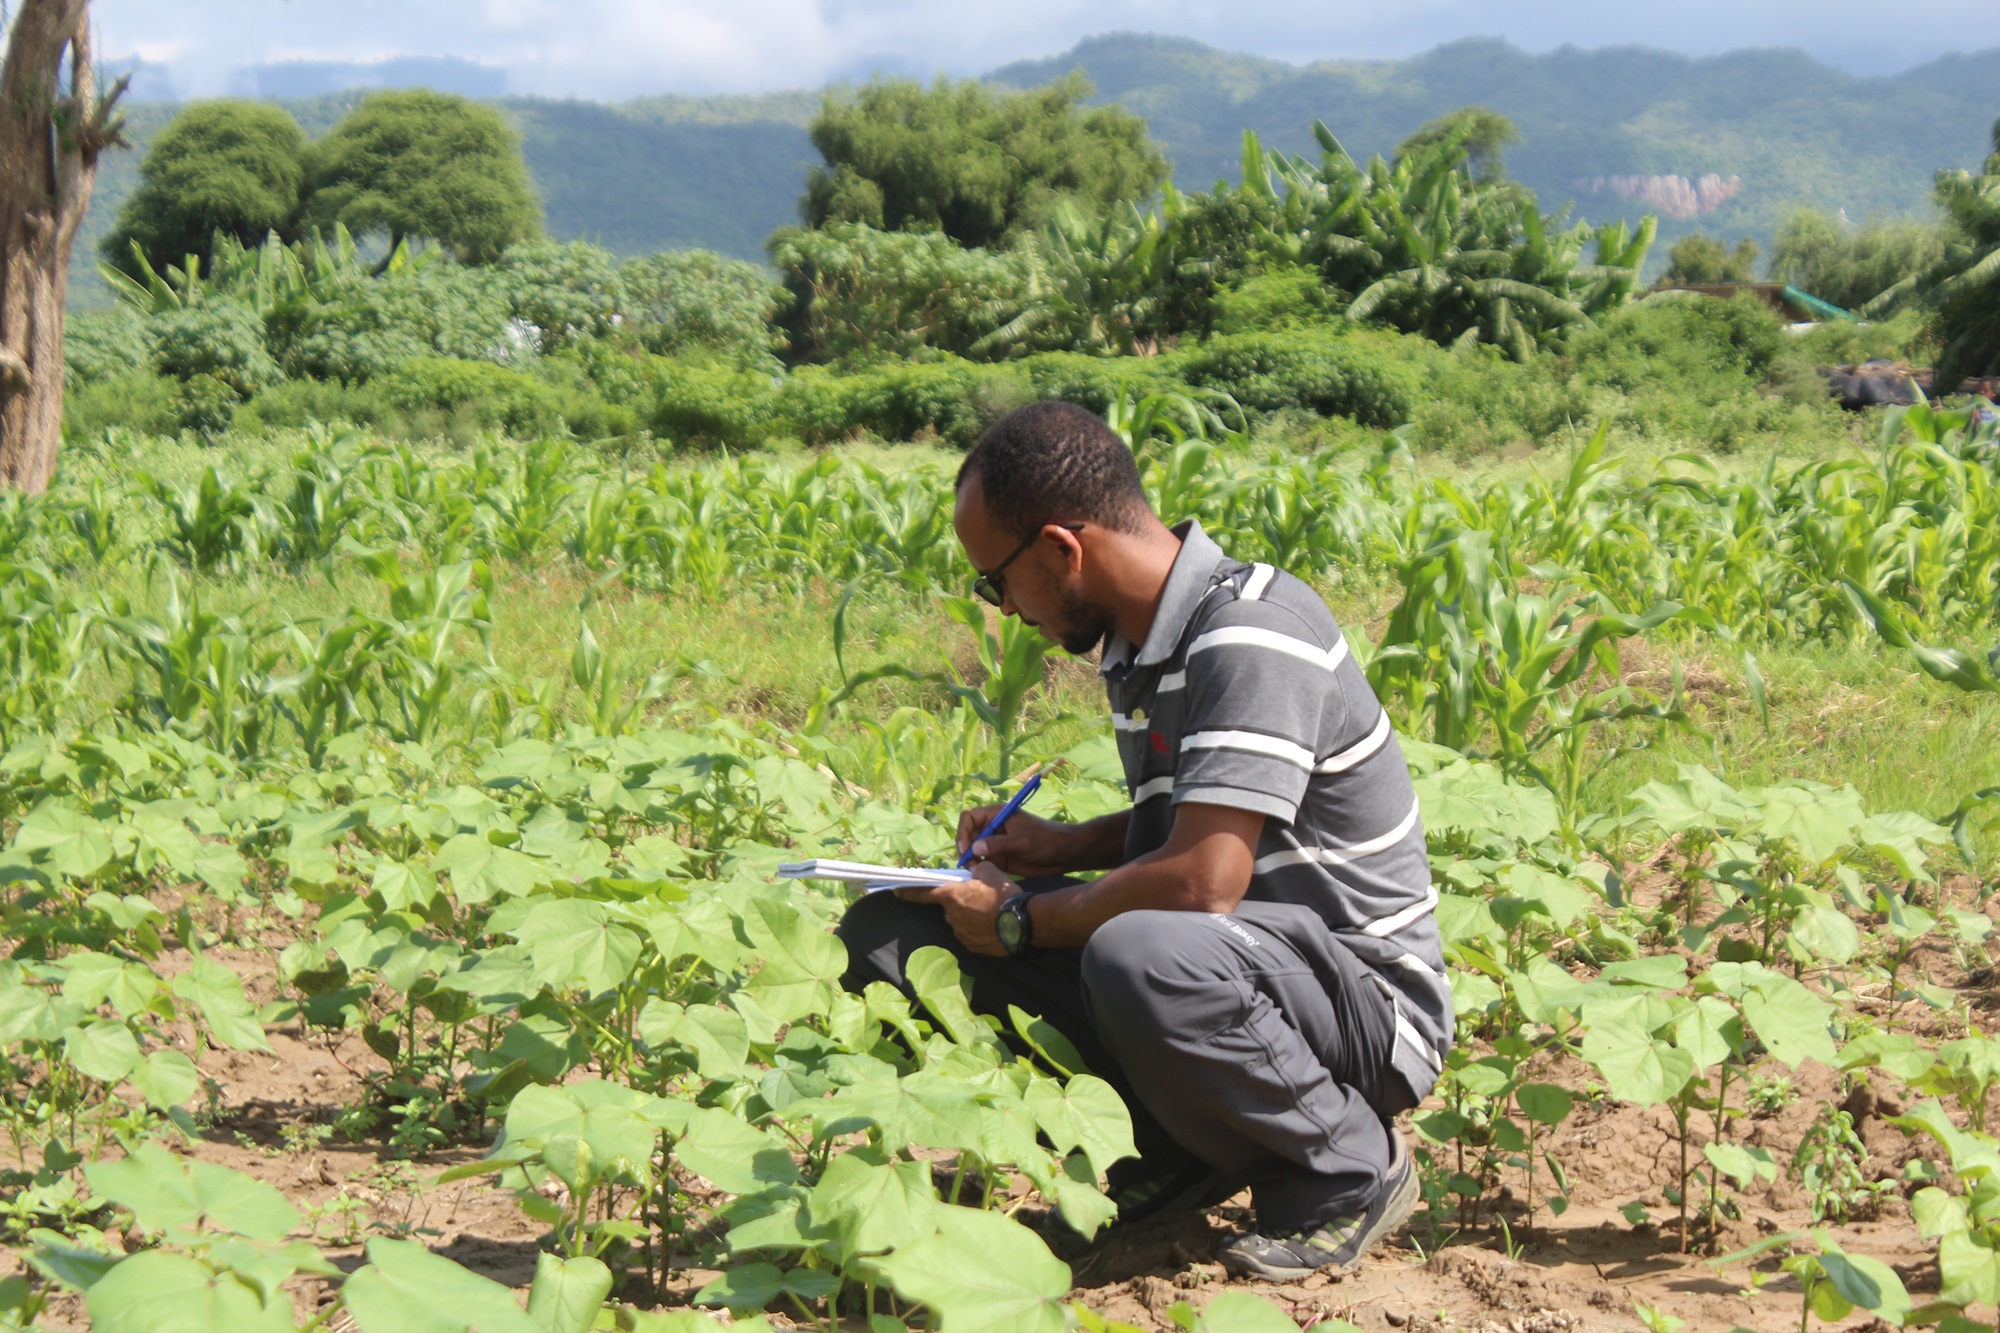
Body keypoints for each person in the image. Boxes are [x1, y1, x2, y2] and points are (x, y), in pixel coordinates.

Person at [836, 401, 1452, 1280]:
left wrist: (1021, 923)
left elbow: (1204, 879)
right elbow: (1214, 810)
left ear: (1061, 546)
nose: (1003, 608)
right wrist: (1061, 847)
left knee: (1143, 950)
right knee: (893, 931)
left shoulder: (1250, 630)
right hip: (1237, 965)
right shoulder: (1137, 642)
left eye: (996, 580)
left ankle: (1348, 1165)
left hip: (1361, 1002)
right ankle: (1164, 1145)